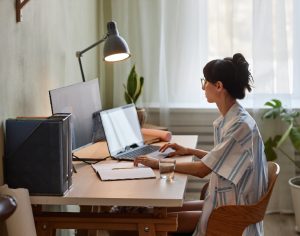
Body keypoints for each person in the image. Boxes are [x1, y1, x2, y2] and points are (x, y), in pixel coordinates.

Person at [134, 53, 268, 236]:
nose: (203, 86)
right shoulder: (235, 119)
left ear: (219, 86)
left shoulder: (240, 126)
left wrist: (157, 164)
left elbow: (202, 170)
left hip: (231, 213)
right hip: (225, 200)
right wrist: (189, 151)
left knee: (155, 220)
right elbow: (221, 161)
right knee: (162, 211)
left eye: (205, 81)